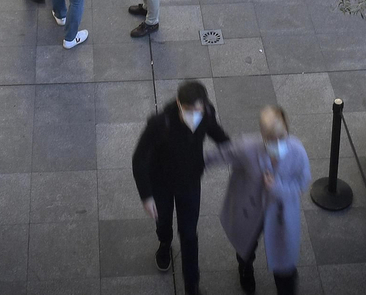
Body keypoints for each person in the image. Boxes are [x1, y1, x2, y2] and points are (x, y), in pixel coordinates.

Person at [133, 81, 231, 293]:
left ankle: (192, 284)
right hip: (161, 182)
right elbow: (139, 159)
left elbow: (217, 133)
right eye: (189, 110)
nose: (194, 115)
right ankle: (165, 243)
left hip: (189, 181)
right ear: (179, 103)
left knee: (189, 233)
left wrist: (234, 151)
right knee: (164, 220)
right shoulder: (161, 124)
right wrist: (146, 196)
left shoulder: (206, 114)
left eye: (198, 110)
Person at [215, 105, 310, 295]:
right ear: (262, 134)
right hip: (251, 210)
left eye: (280, 137)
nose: (276, 143)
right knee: (246, 246)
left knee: (284, 265)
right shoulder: (249, 147)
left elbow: (303, 182)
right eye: (270, 138)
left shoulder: (297, 152)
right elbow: (221, 155)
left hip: (280, 215)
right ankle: (245, 269)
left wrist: (278, 188)